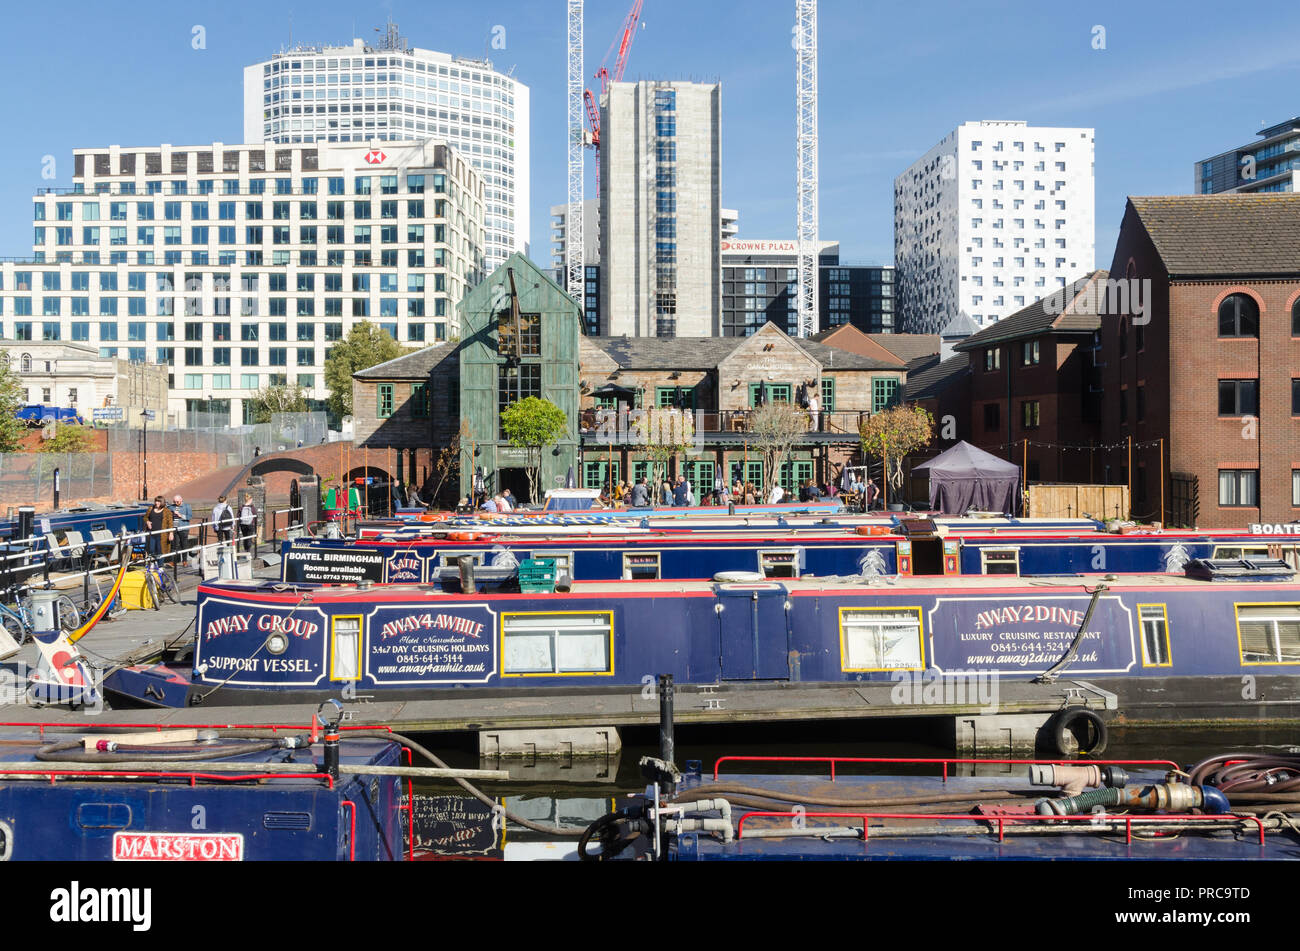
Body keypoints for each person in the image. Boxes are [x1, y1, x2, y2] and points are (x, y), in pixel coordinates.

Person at [170, 494, 193, 566]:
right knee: (174, 545)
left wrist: (181, 515)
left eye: (177, 502)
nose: (176, 503)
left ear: (181, 500)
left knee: (184, 545)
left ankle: (184, 561)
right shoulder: (171, 507)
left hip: (183, 528)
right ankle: (173, 561)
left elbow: (190, 517)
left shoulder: (187, 506)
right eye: (174, 501)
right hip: (175, 528)